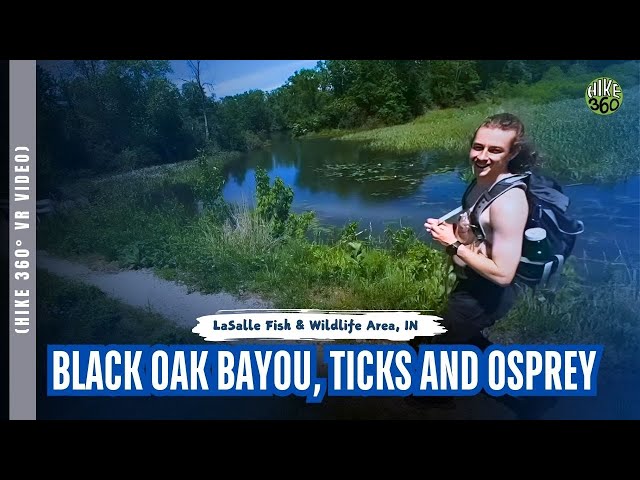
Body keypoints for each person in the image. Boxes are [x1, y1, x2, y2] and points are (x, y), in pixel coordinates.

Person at [424, 112, 533, 349]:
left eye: (495, 150)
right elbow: (479, 231)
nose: (482, 157)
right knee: (458, 339)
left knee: (433, 344)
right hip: (470, 281)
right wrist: (454, 230)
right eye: (478, 147)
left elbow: (503, 275)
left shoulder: (509, 202)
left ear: (512, 153)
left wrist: (453, 244)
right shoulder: (482, 182)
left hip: (488, 295)